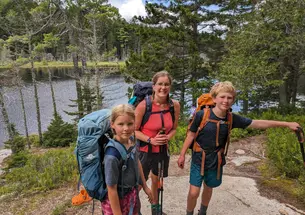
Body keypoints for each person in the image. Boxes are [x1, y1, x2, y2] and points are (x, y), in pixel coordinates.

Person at [177, 81, 300, 215]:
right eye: (222, 97)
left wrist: (287, 124)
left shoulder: (232, 118)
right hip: (198, 158)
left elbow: (257, 123)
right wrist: (182, 154)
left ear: (233, 100)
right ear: (214, 98)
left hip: (216, 161)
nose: (226, 100)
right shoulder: (202, 115)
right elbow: (191, 135)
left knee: (208, 187)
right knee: (194, 192)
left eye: (229, 98)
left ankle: (203, 212)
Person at [135, 71, 180, 214]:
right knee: (139, 183)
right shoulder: (143, 106)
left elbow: (174, 129)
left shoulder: (174, 106)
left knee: (157, 181)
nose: (163, 87)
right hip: (144, 152)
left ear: (170, 87)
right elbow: (134, 131)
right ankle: (133, 210)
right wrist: (151, 140)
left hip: (161, 152)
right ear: (154, 86)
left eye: (167, 84)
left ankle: (155, 210)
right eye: (160, 84)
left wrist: (168, 137)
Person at [102, 104, 153, 215]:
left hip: (131, 195)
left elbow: (137, 162)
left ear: (135, 123)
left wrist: (145, 186)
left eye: (130, 123)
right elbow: (111, 188)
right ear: (112, 125)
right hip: (116, 202)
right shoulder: (112, 155)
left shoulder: (131, 141)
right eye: (121, 124)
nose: (126, 128)